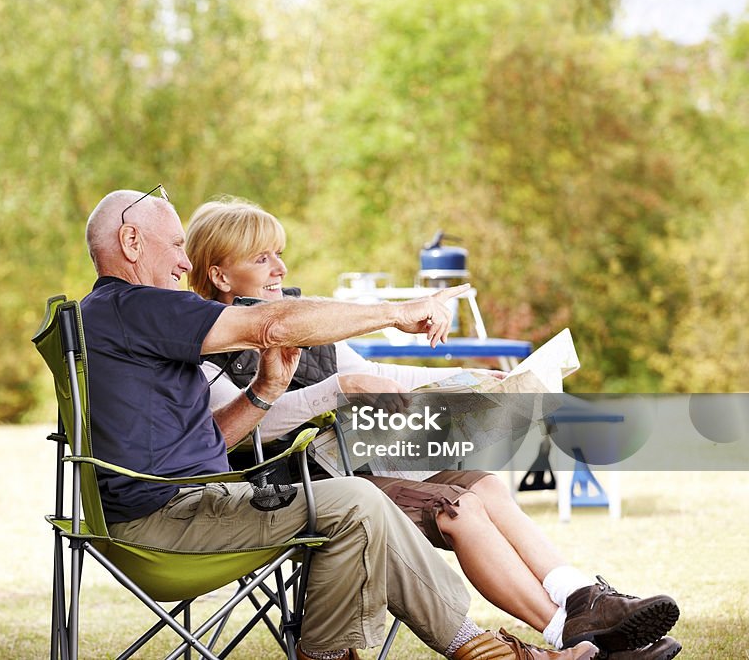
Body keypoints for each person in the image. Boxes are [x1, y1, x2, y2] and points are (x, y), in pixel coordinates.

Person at [79, 187, 601, 660]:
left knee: (359, 503)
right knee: (357, 501)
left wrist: (264, 391)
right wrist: (399, 312)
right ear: (130, 241)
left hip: (185, 503)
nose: (183, 261)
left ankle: (365, 652)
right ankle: (497, 653)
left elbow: (210, 438)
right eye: (174, 245)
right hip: (167, 519)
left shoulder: (119, 319)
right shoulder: (137, 307)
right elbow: (272, 323)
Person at [184, 197, 682, 660]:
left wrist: (469, 380)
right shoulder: (206, 350)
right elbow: (250, 425)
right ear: (219, 274)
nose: (280, 268)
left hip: (362, 466)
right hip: (294, 492)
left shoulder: (307, 325)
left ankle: (582, 598)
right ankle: (564, 637)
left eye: (279, 254)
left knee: (482, 484)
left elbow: (384, 375)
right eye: (262, 258)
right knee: (457, 508)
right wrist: (334, 389)